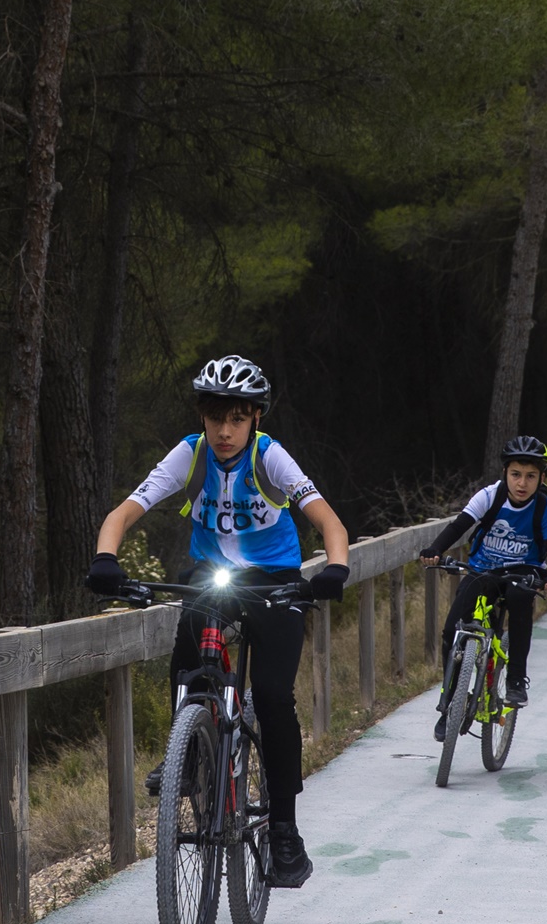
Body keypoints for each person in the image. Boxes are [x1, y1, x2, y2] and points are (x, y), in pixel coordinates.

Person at [85, 355, 350, 889]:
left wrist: (335, 568)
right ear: (201, 417)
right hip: (212, 575)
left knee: (272, 696)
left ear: (255, 418)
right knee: (189, 643)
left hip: (273, 581)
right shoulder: (191, 454)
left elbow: (329, 522)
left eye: (237, 419)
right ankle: (186, 751)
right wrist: (106, 559)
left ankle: (284, 829)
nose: (225, 431)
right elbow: (123, 513)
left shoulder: (269, 457)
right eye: (215, 418)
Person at [418, 435, 547, 741]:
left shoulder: (545, 507)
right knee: (451, 630)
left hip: (523, 572)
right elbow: (459, 526)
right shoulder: (489, 496)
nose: (522, 483)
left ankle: (515, 681)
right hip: (483, 569)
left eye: (530, 476)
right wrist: (435, 549)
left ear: (541, 478)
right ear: (505, 473)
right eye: (516, 474)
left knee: (519, 598)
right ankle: (450, 705)